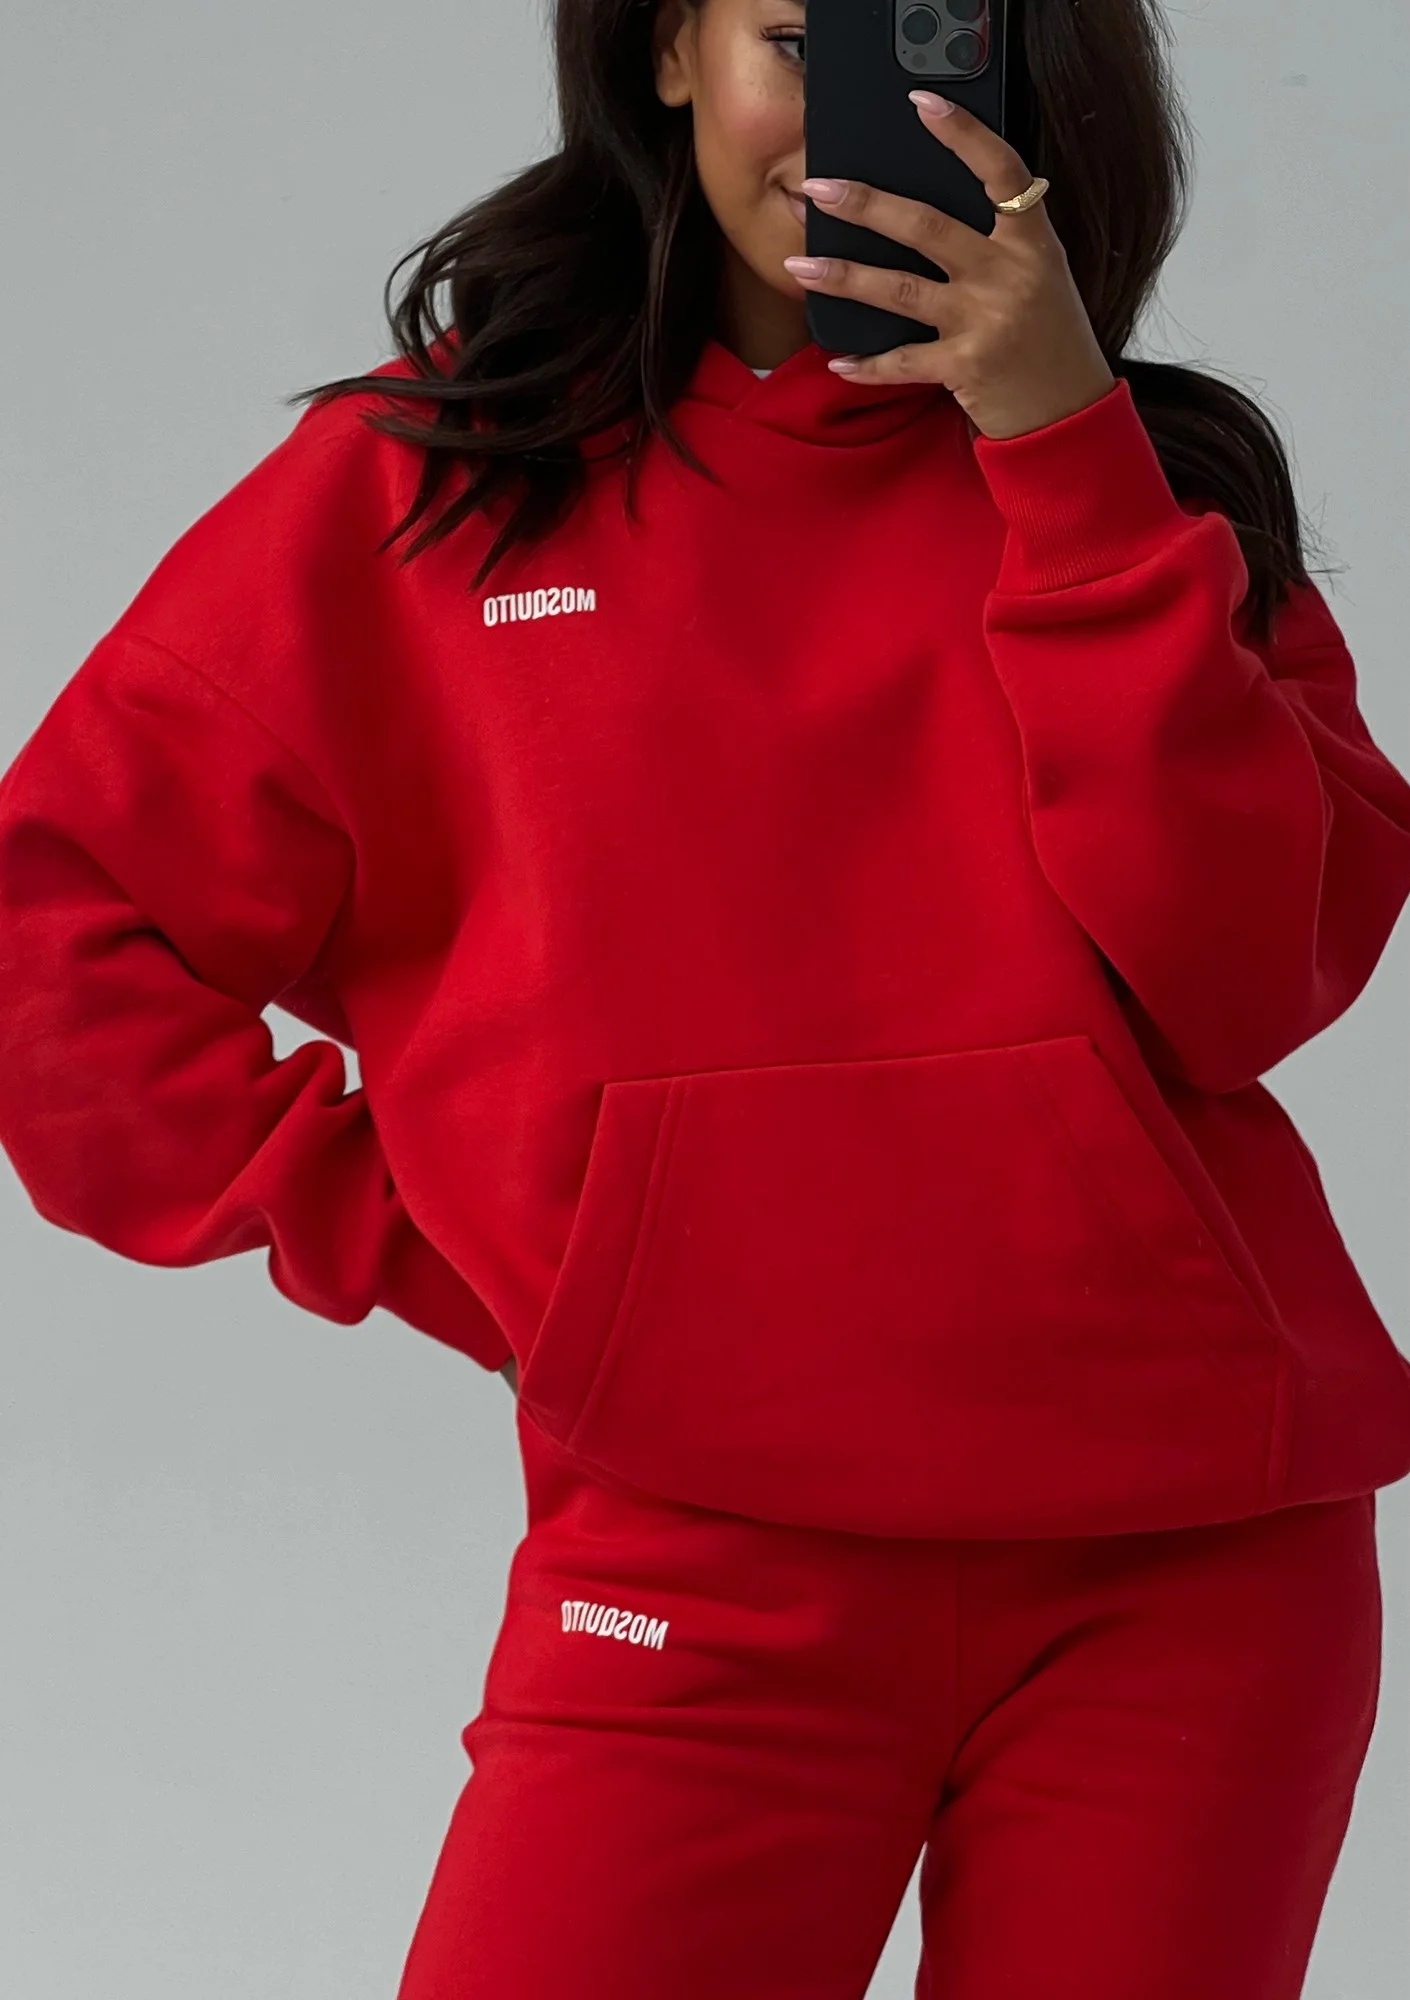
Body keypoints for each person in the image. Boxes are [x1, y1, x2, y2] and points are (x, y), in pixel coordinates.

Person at [1, 2, 1407, 1995]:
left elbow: (1254, 970)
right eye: (795, 38)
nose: (861, 117)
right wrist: (448, 1234)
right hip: (693, 1566)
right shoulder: (436, 488)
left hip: (1190, 1567)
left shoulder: (1152, 491)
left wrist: (1062, 453)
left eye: (935, 39)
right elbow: (52, 931)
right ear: (666, 51)